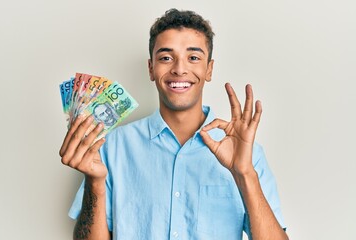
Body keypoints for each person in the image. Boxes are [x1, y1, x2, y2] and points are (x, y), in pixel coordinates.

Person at [60, 9, 288, 240]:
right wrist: (95, 181)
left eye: (194, 57)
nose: (179, 69)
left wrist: (244, 174)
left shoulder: (249, 155)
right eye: (166, 58)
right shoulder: (112, 146)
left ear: (209, 69)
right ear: (151, 68)